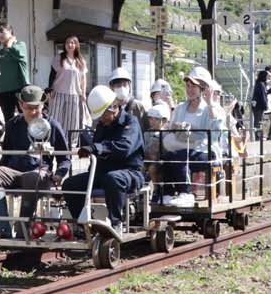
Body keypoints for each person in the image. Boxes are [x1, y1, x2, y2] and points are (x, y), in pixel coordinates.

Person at [0, 84, 70, 232]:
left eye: (37, 107)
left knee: (32, 177)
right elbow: (6, 154)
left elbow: (65, 157)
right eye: (29, 108)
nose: (33, 112)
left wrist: (60, 173)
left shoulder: (52, 125)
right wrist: (1, 170)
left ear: (43, 105)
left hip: (39, 173)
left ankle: (24, 225)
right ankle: (3, 227)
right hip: (14, 171)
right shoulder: (13, 124)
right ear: (20, 105)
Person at [62, 84, 146, 229]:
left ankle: (116, 223)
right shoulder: (102, 126)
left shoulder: (131, 123)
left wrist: (97, 148)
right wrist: (88, 149)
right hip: (101, 173)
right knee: (70, 185)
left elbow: (124, 148)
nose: (100, 119)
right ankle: (84, 226)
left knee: (113, 178)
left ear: (113, 107)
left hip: (130, 173)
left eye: (102, 115)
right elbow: (97, 147)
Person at [160, 68, 223, 208]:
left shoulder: (210, 108)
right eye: (188, 86)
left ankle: (186, 193)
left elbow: (215, 134)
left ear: (203, 88)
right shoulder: (181, 107)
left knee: (180, 155)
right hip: (182, 146)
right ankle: (168, 193)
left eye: (194, 86)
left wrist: (210, 104)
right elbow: (171, 127)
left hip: (204, 150)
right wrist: (176, 127)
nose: (190, 89)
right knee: (166, 156)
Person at [47, 36, 88, 147]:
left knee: (72, 120)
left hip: (74, 94)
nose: (69, 45)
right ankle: (52, 141)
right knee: (55, 118)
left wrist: (83, 93)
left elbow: (83, 79)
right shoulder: (59, 58)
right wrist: (50, 88)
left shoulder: (81, 61)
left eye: (72, 43)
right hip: (58, 92)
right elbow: (52, 74)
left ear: (76, 45)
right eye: (67, 43)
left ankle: (70, 144)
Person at [0, 24, 29, 124]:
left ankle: (26, 138)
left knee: (25, 116)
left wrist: (9, 43)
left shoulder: (20, 45)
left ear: (11, 33)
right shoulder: (0, 52)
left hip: (19, 88)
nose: (0, 35)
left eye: (3, 32)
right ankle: (10, 138)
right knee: (8, 118)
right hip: (4, 90)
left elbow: (18, 54)